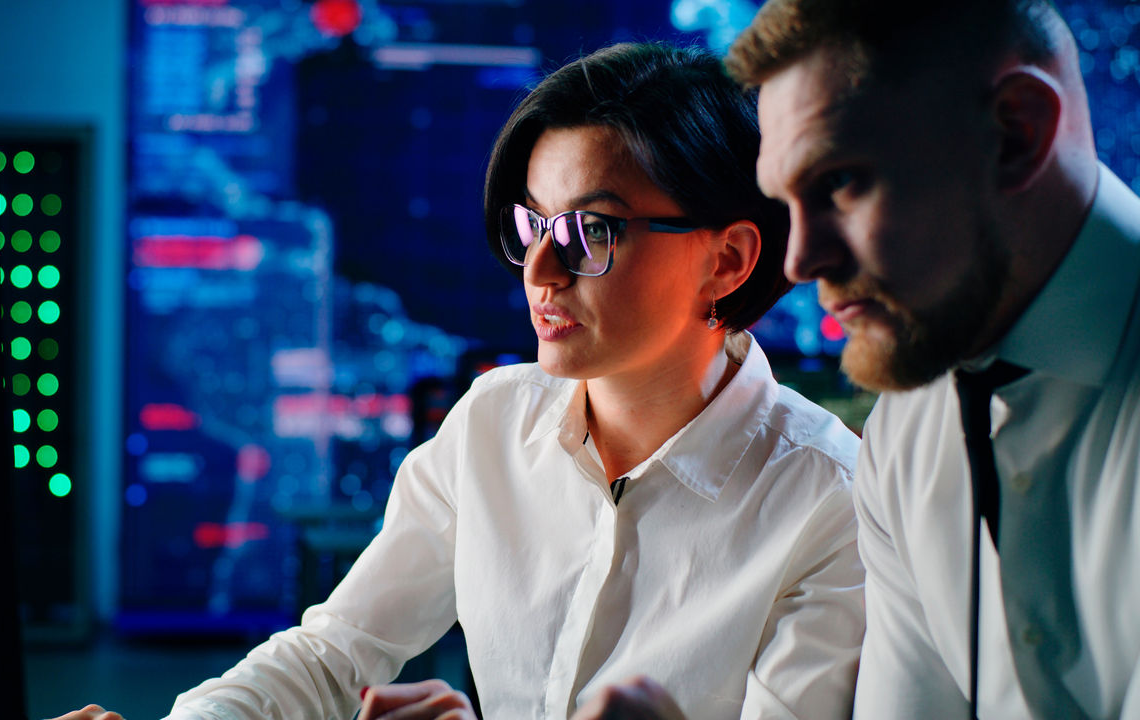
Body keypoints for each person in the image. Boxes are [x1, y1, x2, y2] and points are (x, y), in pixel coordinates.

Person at [55, 42, 864, 720]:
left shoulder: (831, 503)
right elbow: (336, 653)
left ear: (726, 260)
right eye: (532, 224)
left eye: (591, 230)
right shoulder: (494, 424)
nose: (540, 271)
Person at [725, 1, 1140, 718]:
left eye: (841, 182)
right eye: (786, 203)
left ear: (1015, 133)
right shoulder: (900, 441)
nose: (798, 259)